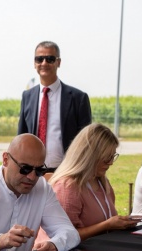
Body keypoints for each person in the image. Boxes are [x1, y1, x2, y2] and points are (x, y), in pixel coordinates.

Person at [48, 123, 138, 241]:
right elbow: (65, 237)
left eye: (113, 156)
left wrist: (121, 223)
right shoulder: (67, 188)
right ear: (90, 156)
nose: (111, 163)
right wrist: (106, 225)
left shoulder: (101, 181)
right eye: (107, 158)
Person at [17, 41, 92, 172]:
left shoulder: (78, 98)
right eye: (39, 59)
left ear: (58, 62)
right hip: (33, 173)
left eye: (50, 59)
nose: (44, 63)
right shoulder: (27, 96)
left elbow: (86, 141)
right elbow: (21, 137)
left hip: (65, 172)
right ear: (34, 63)